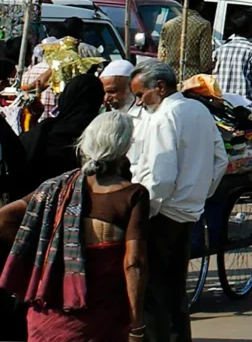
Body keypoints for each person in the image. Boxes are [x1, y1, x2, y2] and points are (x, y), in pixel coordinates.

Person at [0, 111, 150, 342]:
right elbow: (134, 263)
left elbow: (4, 218)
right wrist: (137, 325)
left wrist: (40, 255)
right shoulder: (133, 195)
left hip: (49, 313)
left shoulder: (55, 187)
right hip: (101, 312)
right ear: (125, 147)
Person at [130, 60, 223, 342]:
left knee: (154, 289)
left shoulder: (163, 118)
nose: (138, 102)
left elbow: (160, 177)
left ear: (159, 88)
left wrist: (147, 211)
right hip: (186, 211)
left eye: (140, 94)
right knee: (174, 287)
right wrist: (198, 194)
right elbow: (220, 161)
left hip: (162, 212)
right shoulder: (199, 110)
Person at [211, 27, 252, 112]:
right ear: (250, 29)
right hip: (248, 109)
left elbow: (213, 78)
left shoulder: (219, 50)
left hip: (223, 107)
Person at [154, 9, 211, 82]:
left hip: (171, 77)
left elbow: (161, 57)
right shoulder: (204, 25)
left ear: (181, 2)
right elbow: (205, 63)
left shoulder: (168, 25)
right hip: (192, 81)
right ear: (201, 4)